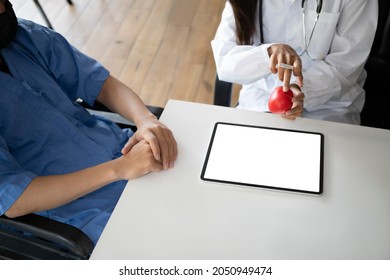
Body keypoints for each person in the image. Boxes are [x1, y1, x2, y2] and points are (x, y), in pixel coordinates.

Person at [0, 0, 177, 245]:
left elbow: (101, 84)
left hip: (123, 150)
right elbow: (16, 201)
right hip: (77, 208)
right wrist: (119, 169)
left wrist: (145, 120)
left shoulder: (27, 37)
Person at [212, 0, 378, 124]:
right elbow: (225, 59)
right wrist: (267, 53)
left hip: (329, 108)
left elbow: (346, 64)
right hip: (259, 101)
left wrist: (300, 88)